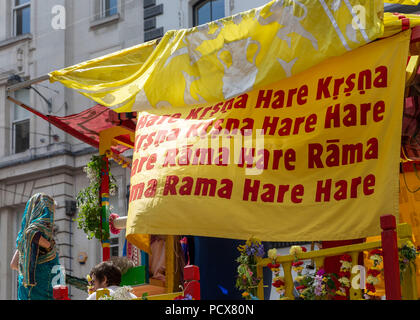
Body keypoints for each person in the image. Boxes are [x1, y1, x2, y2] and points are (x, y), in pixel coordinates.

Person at [9, 193, 60, 300]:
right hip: (42, 294)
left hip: (26, 294)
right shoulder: (40, 235)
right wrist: (49, 246)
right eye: (51, 211)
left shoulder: (23, 241)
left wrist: (29, 270)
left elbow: (14, 264)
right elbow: (31, 233)